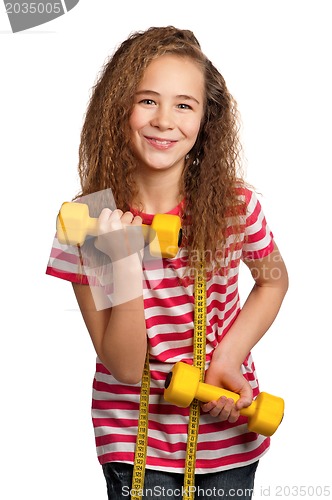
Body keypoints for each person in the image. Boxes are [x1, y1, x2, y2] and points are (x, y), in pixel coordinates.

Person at [46, 26, 288, 499]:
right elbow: (125, 367)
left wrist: (227, 357)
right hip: (134, 438)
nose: (164, 120)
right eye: (147, 100)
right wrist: (126, 266)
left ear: (206, 120)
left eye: (184, 104)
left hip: (229, 425)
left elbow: (273, 282)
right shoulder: (88, 220)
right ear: (118, 110)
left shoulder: (237, 206)